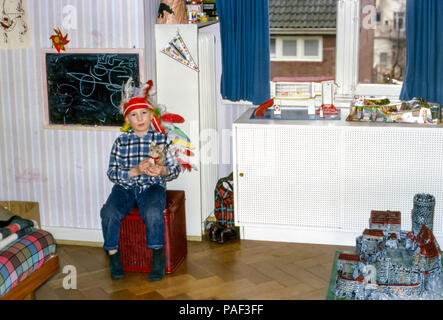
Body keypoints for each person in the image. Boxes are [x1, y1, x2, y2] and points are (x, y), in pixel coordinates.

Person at [100, 85, 181, 282]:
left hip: (151, 186)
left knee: (153, 212)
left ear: (151, 114)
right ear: (127, 120)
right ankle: (113, 256)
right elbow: (112, 172)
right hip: (125, 187)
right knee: (108, 213)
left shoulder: (162, 139)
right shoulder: (121, 142)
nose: (140, 119)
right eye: (134, 115)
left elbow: (174, 168)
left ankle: (158, 257)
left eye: (144, 113)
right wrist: (134, 171)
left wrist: (161, 170)